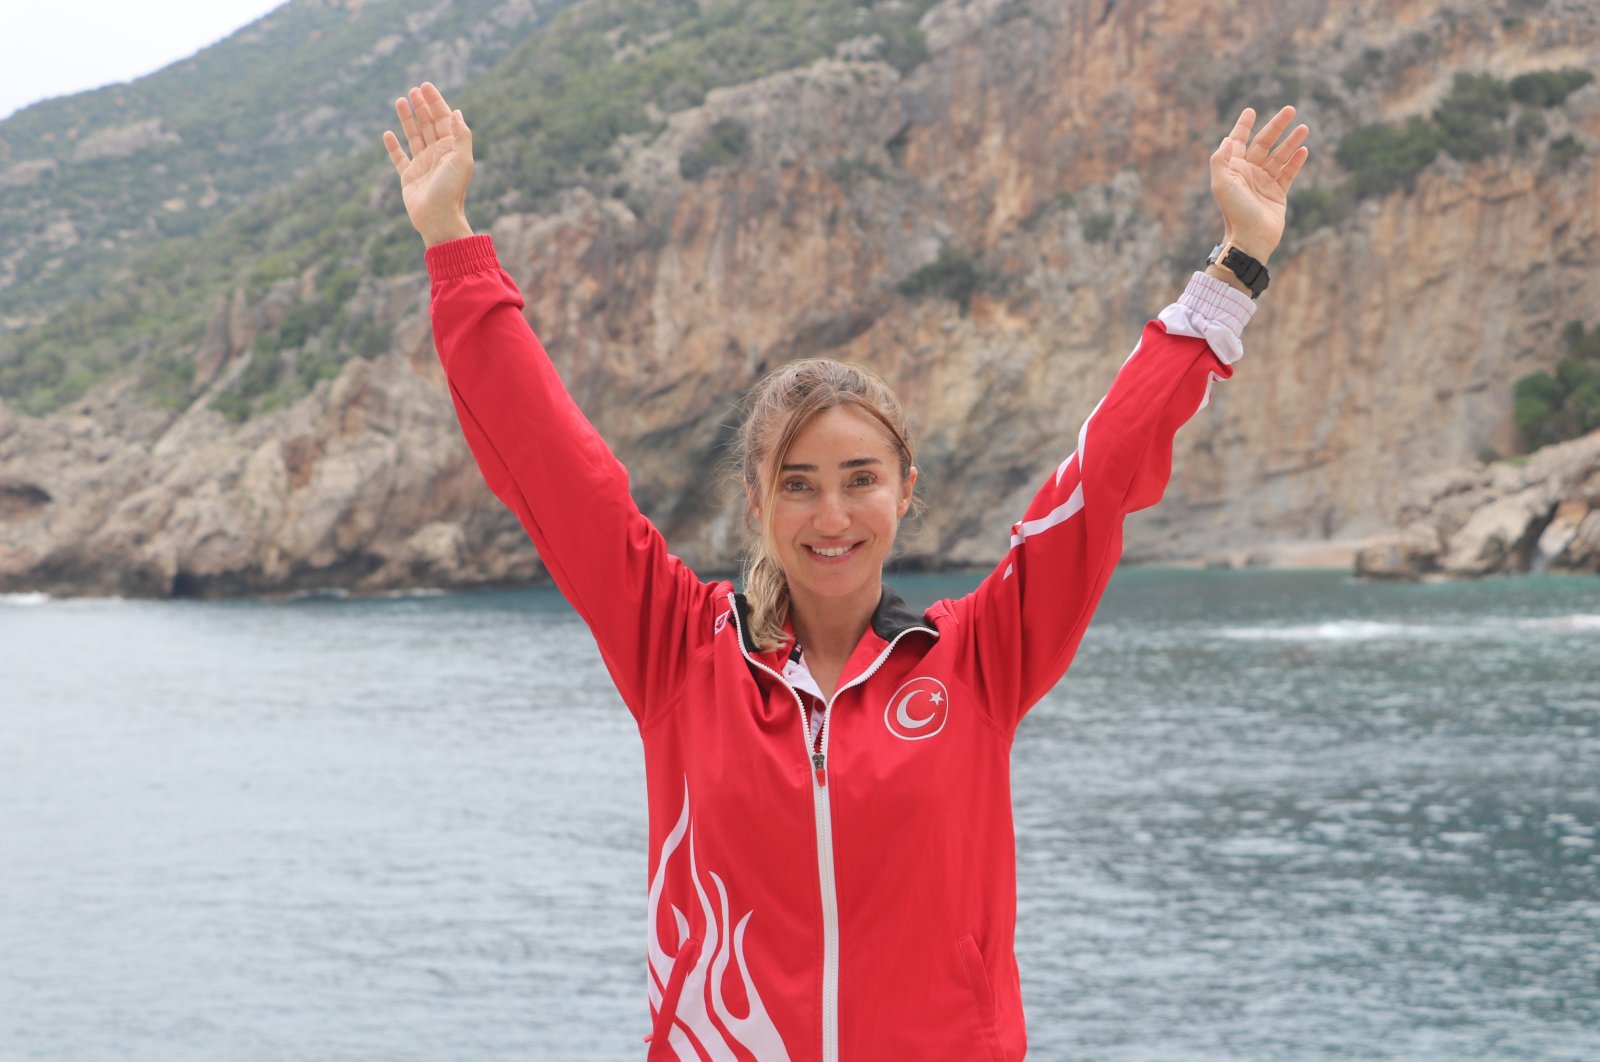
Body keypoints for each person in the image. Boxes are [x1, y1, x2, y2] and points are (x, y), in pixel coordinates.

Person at [384, 81, 1308, 1062]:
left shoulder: (978, 662)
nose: (832, 517)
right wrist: (451, 239)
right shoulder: (676, 657)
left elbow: (1103, 475)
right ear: (757, 498)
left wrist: (1234, 265)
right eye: (799, 485)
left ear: (905, 490)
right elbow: (553, 469)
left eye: (859, 481)